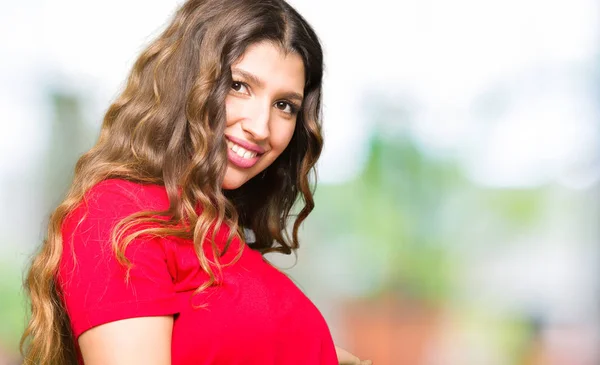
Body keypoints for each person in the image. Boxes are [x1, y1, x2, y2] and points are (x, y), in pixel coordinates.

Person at [20, 0, 372, 364]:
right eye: (239, 85)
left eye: (284, 105)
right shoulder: (120, 217)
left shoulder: (218, 233)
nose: (260, 126)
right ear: (186, 82)